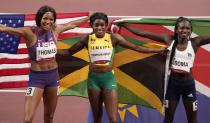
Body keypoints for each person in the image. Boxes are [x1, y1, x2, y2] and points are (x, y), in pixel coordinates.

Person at [57, 12, 166, 123]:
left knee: (113, 119)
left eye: (102, 25)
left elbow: (136, 47)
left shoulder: (113, 38)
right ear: (92, 26)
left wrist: (157, 50)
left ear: (106, 25)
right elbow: (69, 52)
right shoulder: (87, 39)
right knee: (97, 118)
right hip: (93, 80)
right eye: (96, 25)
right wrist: (52, 50)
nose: (99, 28)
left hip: (109, 80)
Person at [0, 5, 93, 123]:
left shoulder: (55, 30)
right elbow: (6, 29)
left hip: (53, 78)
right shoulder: (30, 33)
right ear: (39, 18)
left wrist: (88, 17)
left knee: (49, 117)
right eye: (45, 18)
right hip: (36, 79)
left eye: (51, 19)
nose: (48, 22)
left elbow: (72, 24)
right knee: (28, 119)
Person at [118, 17, 210, 123]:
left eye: (188, 29)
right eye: (182, 28)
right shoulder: (169, 39)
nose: (184, 31)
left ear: (191, 31)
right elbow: (144, 33)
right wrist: (125, 25)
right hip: (173, 86)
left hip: (188, 86)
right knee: (168, 119)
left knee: (192, 120)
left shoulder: (195, 42)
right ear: (176, 30)